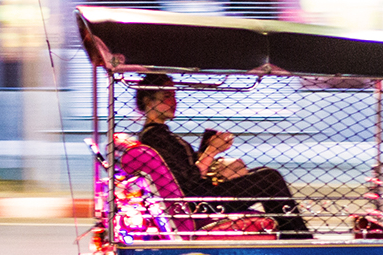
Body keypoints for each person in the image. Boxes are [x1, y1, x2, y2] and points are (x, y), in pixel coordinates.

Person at [133, 73, 313, 239]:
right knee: (269, 179)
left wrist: (214, 163)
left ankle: (293, 235)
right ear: (149, 102)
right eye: (167, 96)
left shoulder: (157, 135)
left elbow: (183, 169)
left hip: (198, 197)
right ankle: (299, 238)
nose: (174, 101)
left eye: (174, 95)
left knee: (260, 174)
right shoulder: (156, 138)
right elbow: (187, 181)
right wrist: (211, 151)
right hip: (198, 204)